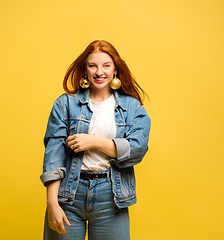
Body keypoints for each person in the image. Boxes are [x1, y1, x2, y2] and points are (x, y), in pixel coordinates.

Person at [40, 40, 151, 240]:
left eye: (106, 66)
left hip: (111, 196)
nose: (99, 72)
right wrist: (52, 203)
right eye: (93, 66)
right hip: (69, 195)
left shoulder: (132, 108)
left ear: (116, 70)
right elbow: (53, 156)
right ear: (85, 69)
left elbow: (137, 148)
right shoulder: (65, 104)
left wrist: (93, 141)